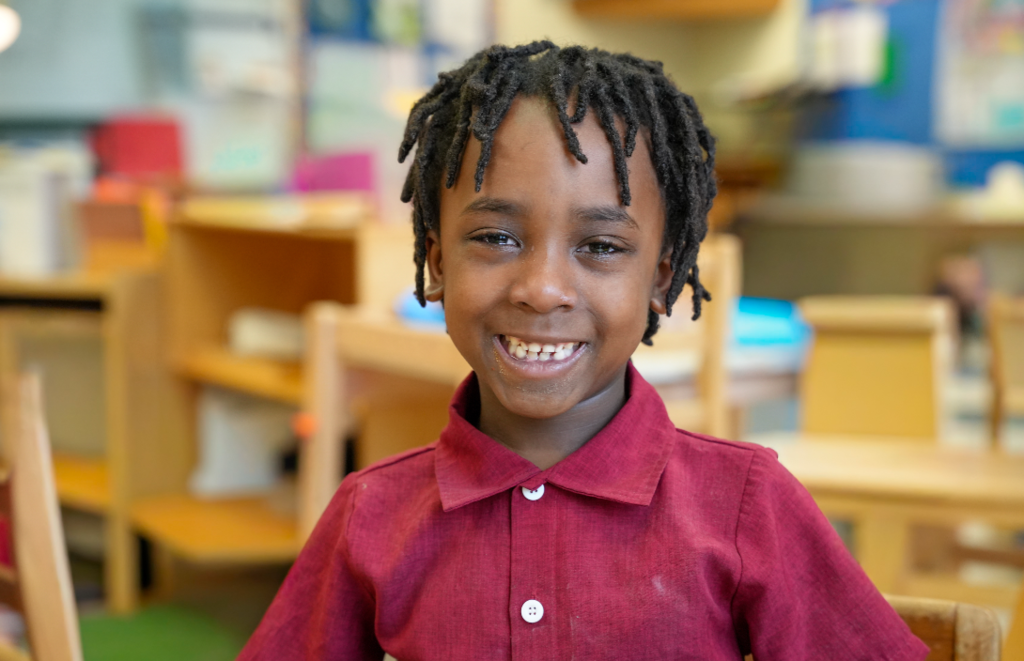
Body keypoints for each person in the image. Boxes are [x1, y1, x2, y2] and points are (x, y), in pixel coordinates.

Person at [237, 42, 929, 660]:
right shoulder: (371, 513)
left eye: (600, 246)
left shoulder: (749, 505)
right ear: (437, 262)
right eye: (496, 238)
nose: (542, 290)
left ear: (661, 279)